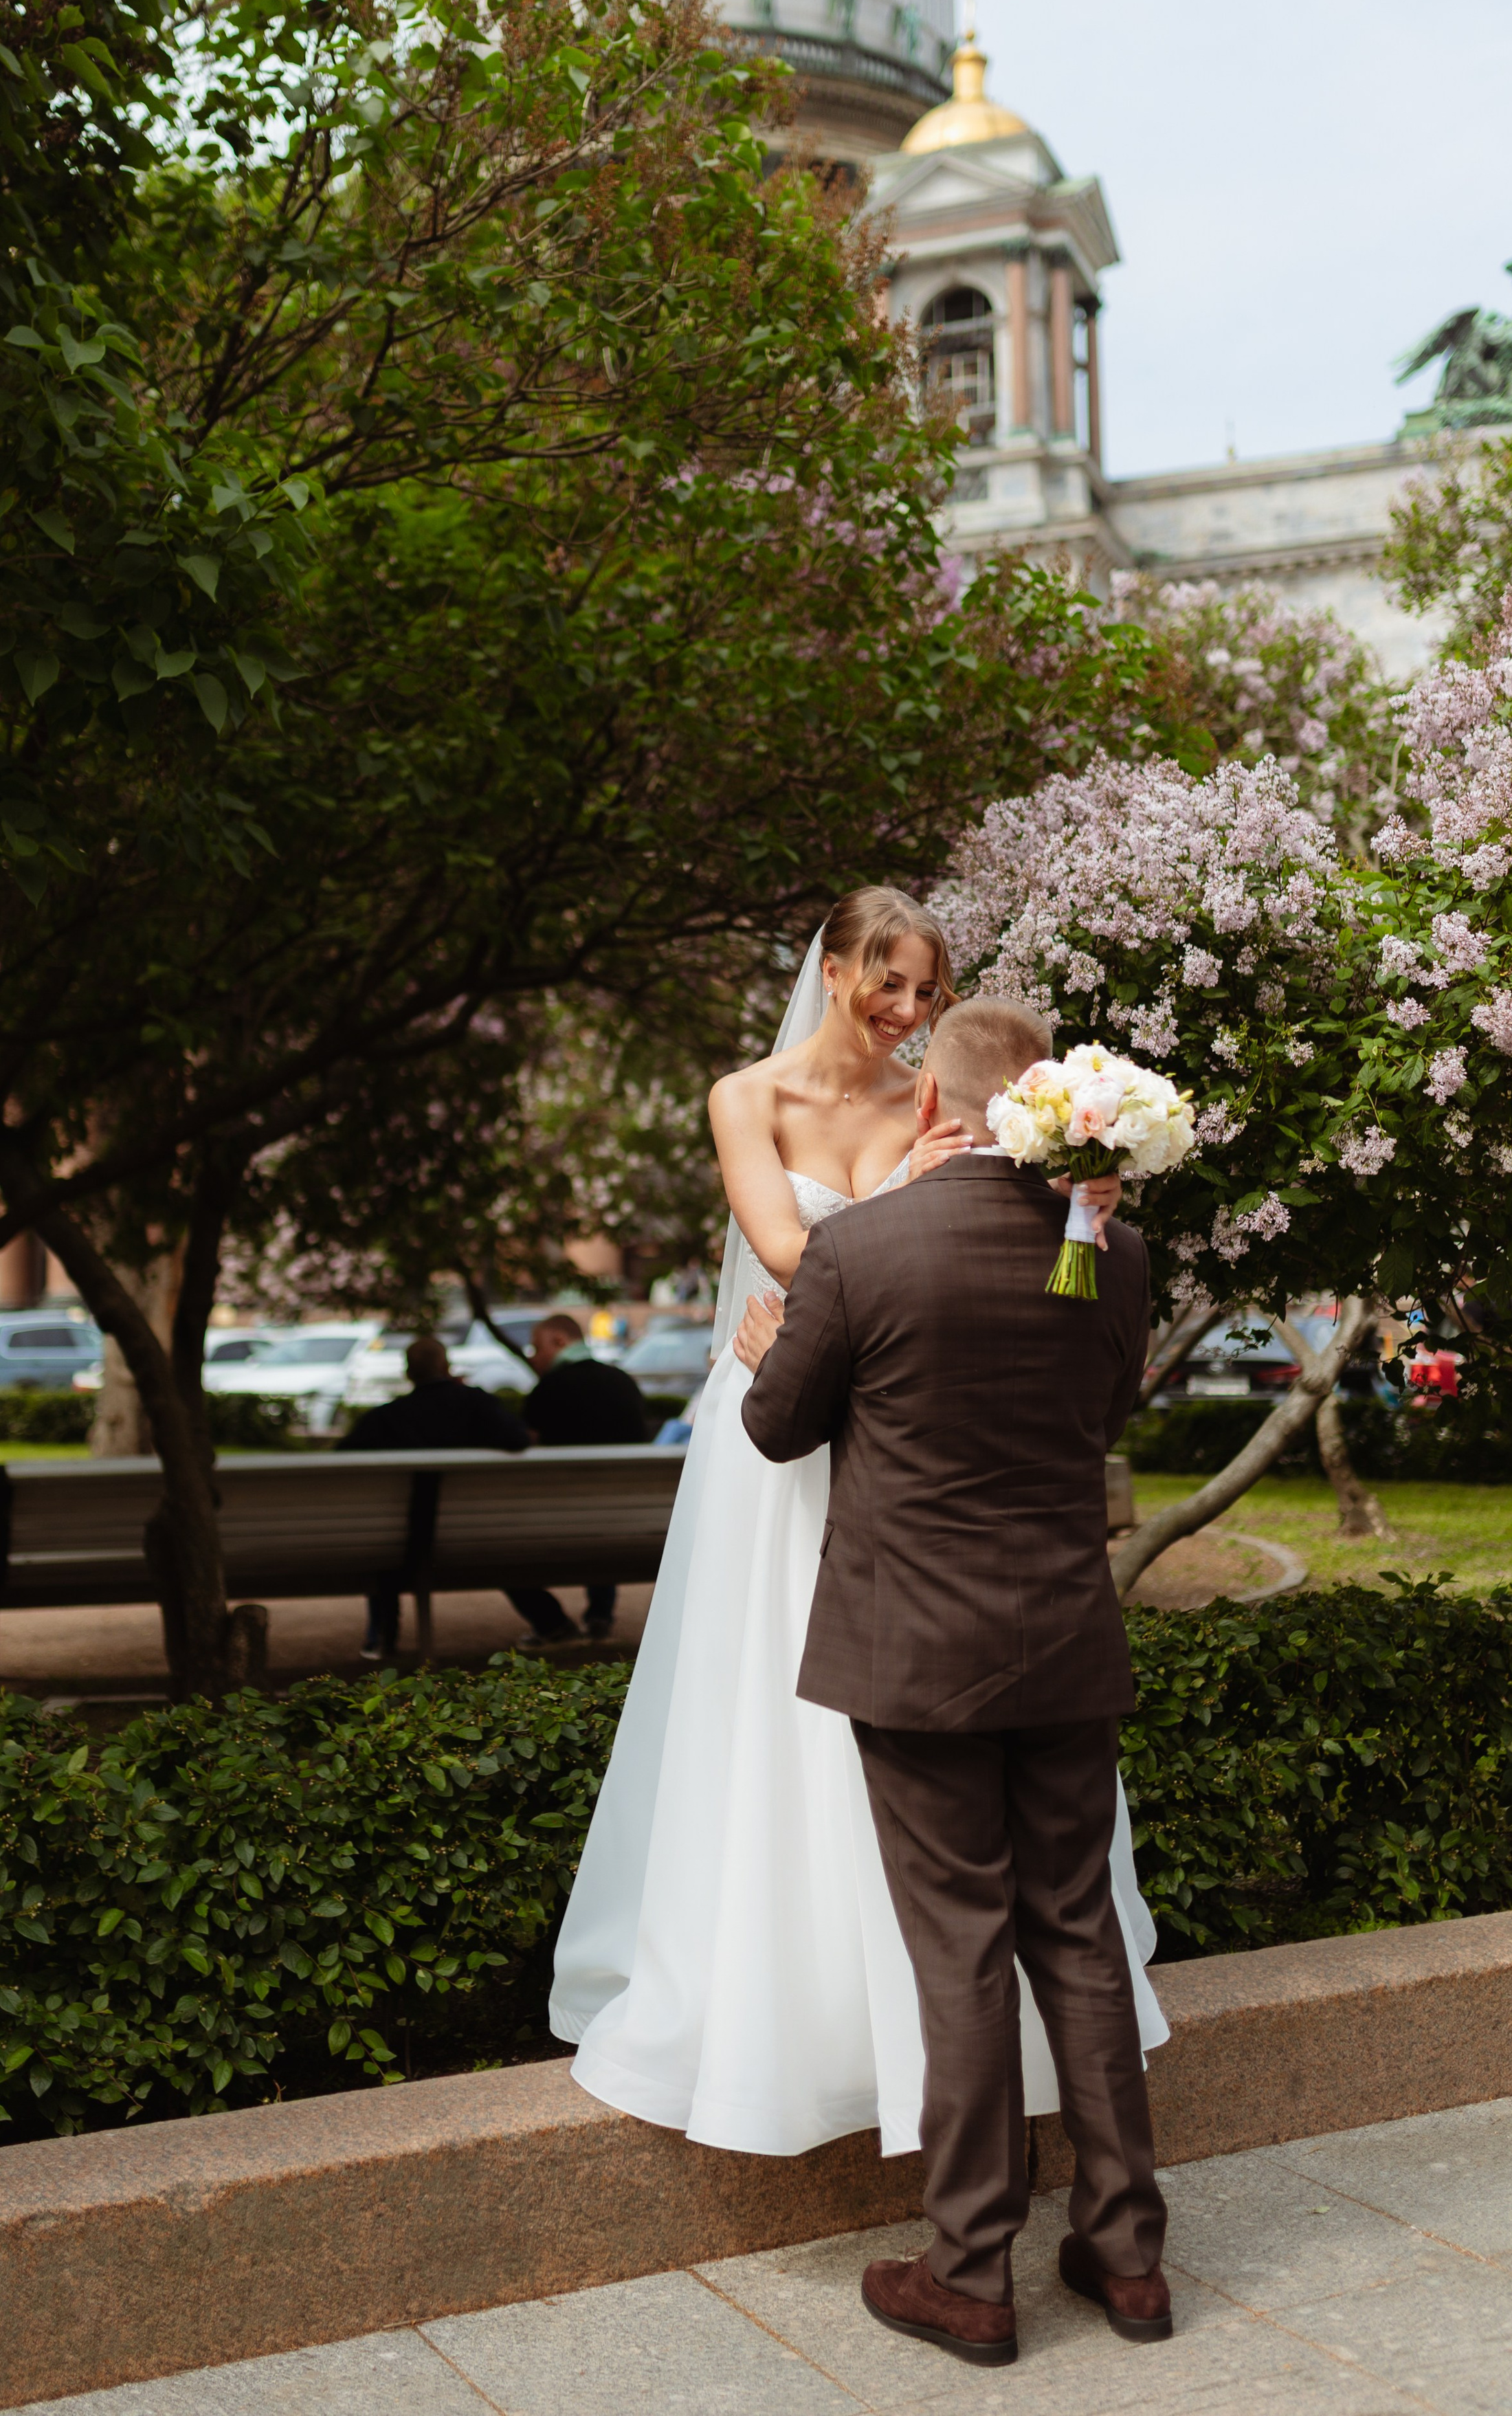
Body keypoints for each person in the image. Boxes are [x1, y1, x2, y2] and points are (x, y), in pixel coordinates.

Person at [548, 888, 1165, 2162]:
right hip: (782, 1424)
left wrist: (956, 1200)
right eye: (887, 983)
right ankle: (789, 2009)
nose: (906, 1011)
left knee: (911, 1725)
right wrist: (905, 1200)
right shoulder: (748, 1097)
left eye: (928, 991)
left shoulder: (941, 1095)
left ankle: (934, 2044)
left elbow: (987, 1246)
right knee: (779, 1710)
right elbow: (786, 1249)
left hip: (900, 1419)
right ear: (829, 971)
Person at [740, 995, 1170, 2367]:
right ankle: (1126, 2256)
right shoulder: (1105, 1249)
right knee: (1078, 1939)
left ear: (932, 1100)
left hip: (918, 1658)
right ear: (1041, 1104)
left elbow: (776, 1428)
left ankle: (969, 2272)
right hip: (1060, 1644)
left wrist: (768, 1356)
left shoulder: (861, 1250)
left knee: (961, 1957)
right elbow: (1097, 1418)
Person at [338, 1335, 528, 1661]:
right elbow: (518, 1438)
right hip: (477, 1536)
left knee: (385, 1551)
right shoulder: (476, 1405)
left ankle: (383, 1638)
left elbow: (341, 1455)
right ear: (447, 1366)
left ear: (409, 1374)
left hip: (407, 1543)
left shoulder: (388, 1418)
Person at [507, 1313, 650, 1645]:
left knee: (488, 1548)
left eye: (536, 1347)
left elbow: (528, 1442)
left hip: (558, 1520)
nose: (532, 1356)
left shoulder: (548, 1389)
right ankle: (600, 1614)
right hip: (626, 1520)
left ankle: (552, 1623)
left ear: (559, 1342)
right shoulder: (623, 1381)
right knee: (603, 1511)